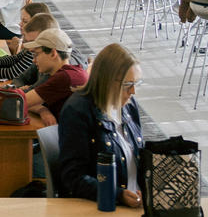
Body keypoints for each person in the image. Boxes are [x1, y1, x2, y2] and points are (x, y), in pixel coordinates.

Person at [55, 43, 145, 207]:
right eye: (127, 85)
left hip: (136, 205)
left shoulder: (129, 106)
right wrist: (118, 195)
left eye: (136, 83)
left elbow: (141, 158)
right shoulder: (77, 110)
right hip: (104, 206)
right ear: (107, 81)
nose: (133, 92)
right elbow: (73, 177)